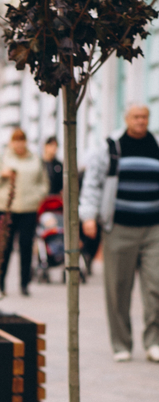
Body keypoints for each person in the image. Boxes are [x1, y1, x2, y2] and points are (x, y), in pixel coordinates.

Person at [79, 104, 159, 362]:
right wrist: (88, 215)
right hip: (119, 227)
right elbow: (93, 182)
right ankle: (121, 343)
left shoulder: (155, 145)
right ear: (127, 119)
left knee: (155, 286)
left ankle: (154, 341)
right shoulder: (111, 148)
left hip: (153, 228)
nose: (141, 121)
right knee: (118, 288)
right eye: (136, 117)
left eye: (144, 117)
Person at [0, 127, 48, 296]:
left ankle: (24, 284)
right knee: (4, 247)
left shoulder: (34, 158)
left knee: (26, 246)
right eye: (16, 141)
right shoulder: (2, 157)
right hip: (5, 209)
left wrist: (38, 196)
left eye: (22, 141)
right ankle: (0, 283)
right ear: (11, 143)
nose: (19, 145)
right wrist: (2, 174)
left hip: (28, 208)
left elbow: (44, 182)